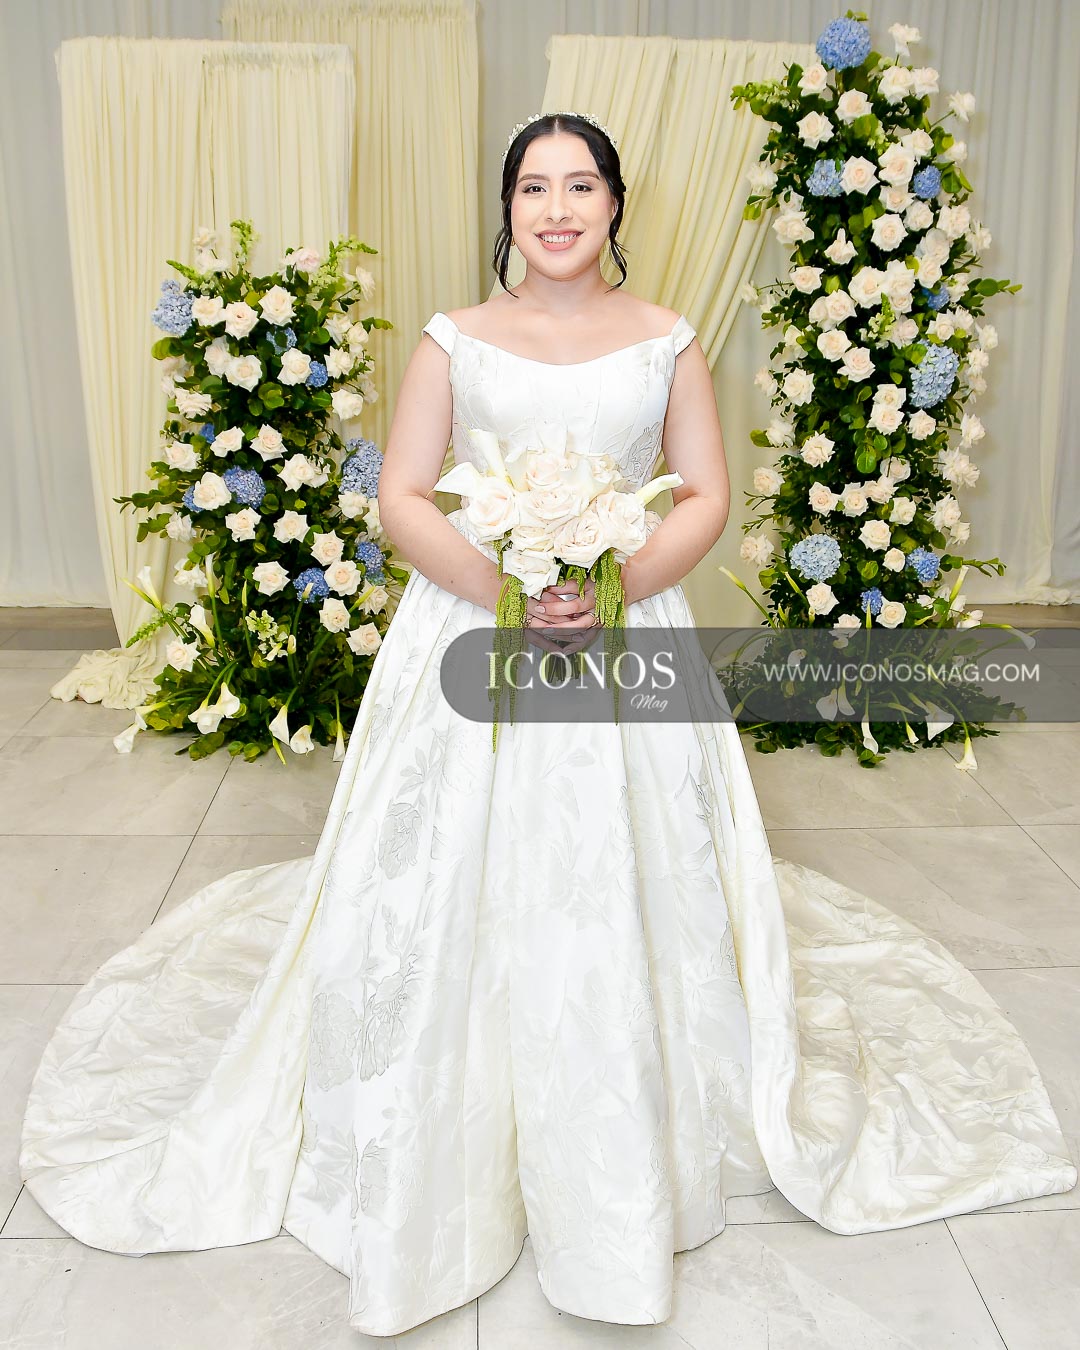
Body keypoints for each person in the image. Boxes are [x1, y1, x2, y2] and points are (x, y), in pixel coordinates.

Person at [19, 111, 1076, 1338]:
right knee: (446, 870)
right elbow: (403, 496)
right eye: (534, 187)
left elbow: (706, 494)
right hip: (474, 628)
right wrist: (506, 590)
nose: (558, 209)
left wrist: (614, 583)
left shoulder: (668, 340)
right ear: (508, 206)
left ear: (616, 204)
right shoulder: (452, 341)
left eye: (581, 186)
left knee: (625, 871)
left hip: (626, 629)